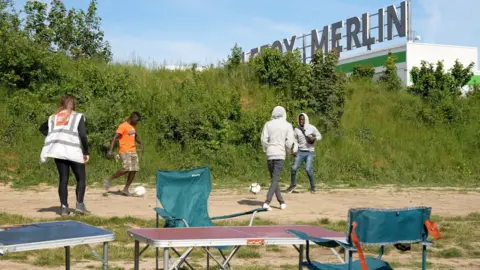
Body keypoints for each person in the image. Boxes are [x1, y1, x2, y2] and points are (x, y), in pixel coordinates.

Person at [39, 94, 90, 216]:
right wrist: (86, 151)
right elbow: (83, 135)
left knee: (63, 179)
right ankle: (79, 205)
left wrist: (55, 137)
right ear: (73, 104)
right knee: (81, 178)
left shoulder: (53, 117)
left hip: (58, 151)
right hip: (73, 151)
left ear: (62, 103)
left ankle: (64, 208)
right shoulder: (78, 116)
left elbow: (42, 128)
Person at [261, 106, 297, 210]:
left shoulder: (268, 124)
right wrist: (291, 151)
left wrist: (267, 149)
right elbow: (289, 141)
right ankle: (267, 202)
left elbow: (264, 140)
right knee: (275, 179)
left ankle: (281, 201)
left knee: (274, 179)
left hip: (270, 154)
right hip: (280, 154)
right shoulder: (288, 125)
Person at [103, 112, 143, 196]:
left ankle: (125, 189)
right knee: (127, 168)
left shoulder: (133, 126)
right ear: (132, 117)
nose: (137, 122)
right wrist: (110, 150)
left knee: (134, 169)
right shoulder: (123, 126)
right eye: (136, 120)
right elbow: (115, 137)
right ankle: (109, 179)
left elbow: (135, 135)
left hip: (133, 150)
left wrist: (141, 143)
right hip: (124, 150)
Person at [286, 113, 322, 194]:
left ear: (306, 119)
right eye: (299, 119)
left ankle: (313, 187)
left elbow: (320, 136)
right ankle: (293, 185)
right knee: (293, 168)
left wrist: (315, 138)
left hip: (309, 152)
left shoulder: (312, 128)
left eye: (302, 119)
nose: (301, 121)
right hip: (300, 152)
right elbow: (295, 141)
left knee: (308, 169)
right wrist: (295, 150)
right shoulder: (296, 129)